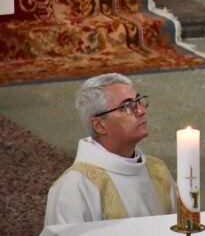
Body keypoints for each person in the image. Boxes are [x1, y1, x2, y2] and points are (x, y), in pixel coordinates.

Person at [45, 73, 175, 225]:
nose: (141, 111)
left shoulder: (157, 169)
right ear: (99, 125)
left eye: (138, 101)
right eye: (127, 106)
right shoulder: (75, 187)